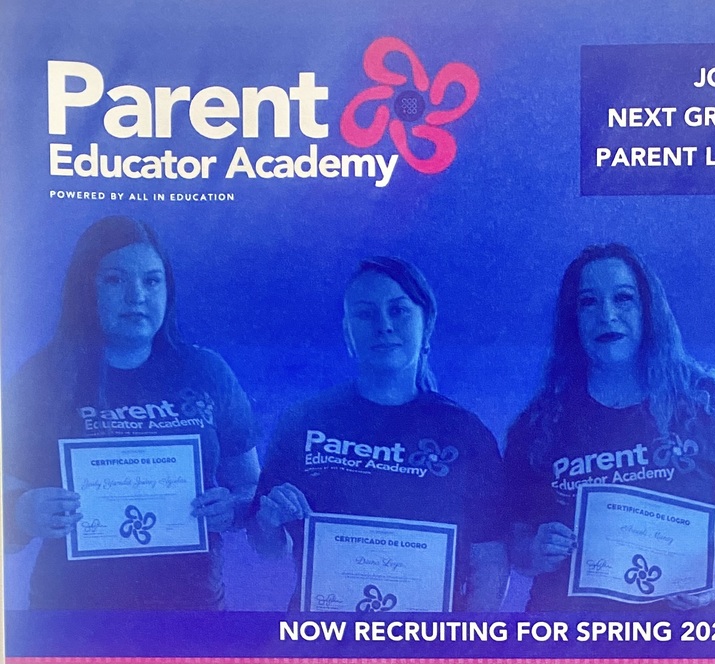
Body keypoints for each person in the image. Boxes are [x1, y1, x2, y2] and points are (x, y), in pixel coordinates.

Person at [2, 215, 260, 610]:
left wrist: (235, 507)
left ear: (167, 290)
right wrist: (21, 511)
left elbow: (250, 487)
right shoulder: (42, 377)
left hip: (192, 610)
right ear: (86, 290)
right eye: (115, 280)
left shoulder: (207, 371)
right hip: (71, 618)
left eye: (151, 281)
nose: (136, 295)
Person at [504, 243, 715, 611]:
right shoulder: (537, 427)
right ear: (572, 320)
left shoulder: (712, 407)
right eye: (588, 302)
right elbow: (513, 538)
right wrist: (534, 552)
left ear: (650, 311)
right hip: (579, 642)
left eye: (623, 298)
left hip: (699, 641)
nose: (607, 315)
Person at [248, 256, 508, 611]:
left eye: (399, 311)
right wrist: (268, 521)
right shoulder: (302, 423)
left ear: (427, 323)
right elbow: (267, 549)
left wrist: (467, 646)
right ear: (347, 332)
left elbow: (490, 561)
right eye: (366, 314)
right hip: (323, 645)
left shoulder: (467, 435)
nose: (383, 325)